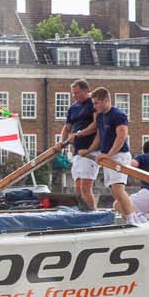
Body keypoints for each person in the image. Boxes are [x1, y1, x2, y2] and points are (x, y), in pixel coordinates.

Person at [86, 86, 135, 218]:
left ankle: (133, 218)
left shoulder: (118, 115)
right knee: (114, 191)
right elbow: (99, 136)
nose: (94, 106)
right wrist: (90, 150)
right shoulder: (101, 116)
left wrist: (109, 154)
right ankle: (127, 217)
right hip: (108, 156)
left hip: (120, 155)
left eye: (96, 103)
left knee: (118, 189)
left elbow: (122, 136)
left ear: (106, 100)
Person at [61, 79, 98, 209]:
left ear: (86, 91)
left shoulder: (93, 103)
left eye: (77, 93)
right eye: (73, 94)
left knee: (86, 187)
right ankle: (84, 213)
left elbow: (96, 125)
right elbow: (67, 128)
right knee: (77, 188)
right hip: (77, 151)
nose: (75, 96)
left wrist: (78, 134)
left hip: (90, 150)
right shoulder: (73, 108)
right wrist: (61, 144)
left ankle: (93, 215)